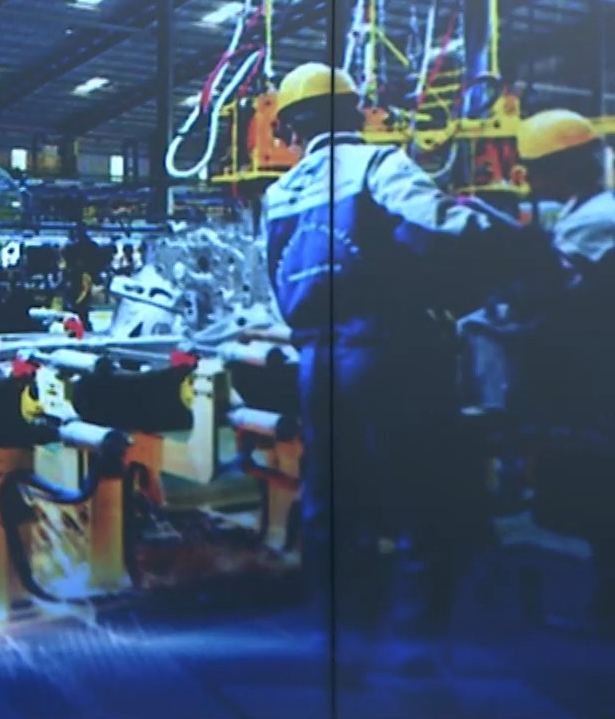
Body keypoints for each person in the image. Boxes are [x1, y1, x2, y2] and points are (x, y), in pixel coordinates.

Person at [261, 63, 512, 676]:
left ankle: (338, 640)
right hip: (387, 354)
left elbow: (276, 281)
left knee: (331, 504)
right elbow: (443, 223)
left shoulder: (278, 195)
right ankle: (414, 645)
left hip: (316, 365)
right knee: (419, 495)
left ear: (289, 128)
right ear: (357, 114)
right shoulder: (378, 164)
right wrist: (509, 242)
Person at [493, 109, 615, 627]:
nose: (528, 180)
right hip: (592, 374)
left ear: (562, 168)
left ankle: (606, 609)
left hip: (598, 378)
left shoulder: (599, 219)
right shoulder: (581, 208)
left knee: (600, 494)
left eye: (534, 169)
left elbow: (558, 293)